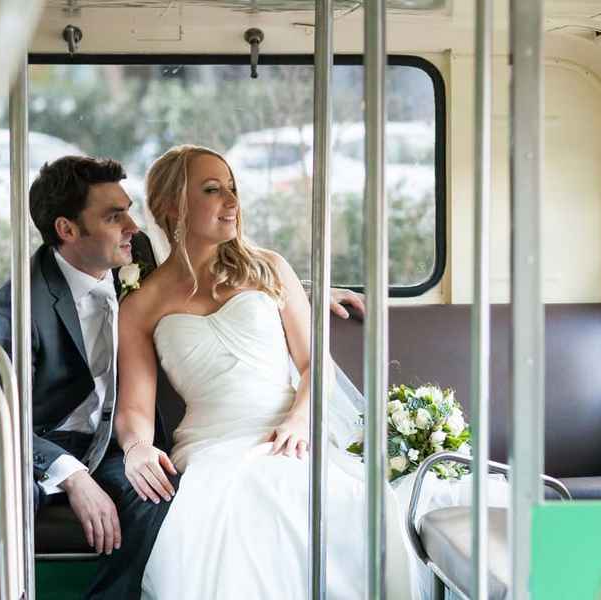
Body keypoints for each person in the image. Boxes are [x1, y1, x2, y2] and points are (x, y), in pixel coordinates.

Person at [123, 145, 504, 599]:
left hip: (292, 430)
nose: (231, 200)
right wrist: (138, 449)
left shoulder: (269, 270)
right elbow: (134, 407)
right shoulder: (141, 304)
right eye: (212, 189)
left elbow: (312, 364)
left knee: (317, 494)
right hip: (212, 444)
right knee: (244, 496)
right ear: (170, 205)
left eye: (233, 188)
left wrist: (300, 418)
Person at [0, 155, 366, 600]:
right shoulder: (20, 302)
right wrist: (79, 473)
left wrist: (307, 292)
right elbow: (4, 413)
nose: (132, 224)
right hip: (49, 443)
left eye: (128, 209)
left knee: (157, 498)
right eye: (114, 216)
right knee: (3, 507)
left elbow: (216, 274)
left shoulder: (135, 253)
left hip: (121, 441)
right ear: (68, 230)